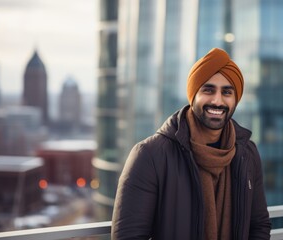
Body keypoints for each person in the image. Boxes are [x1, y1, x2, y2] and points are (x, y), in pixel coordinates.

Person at [111, 48, 271, 240]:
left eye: (227, 92)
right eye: (208, 90)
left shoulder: (248, 153)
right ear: (193, 95)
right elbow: (129, 236)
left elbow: (259, 224)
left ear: (236, 99)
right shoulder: (149, 155)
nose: (217, 100)